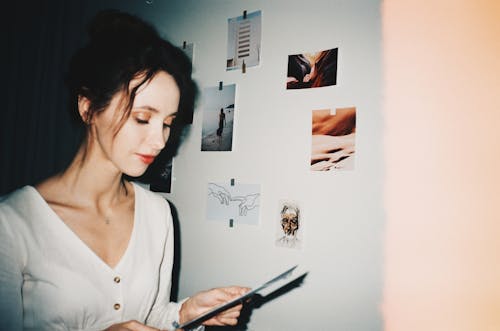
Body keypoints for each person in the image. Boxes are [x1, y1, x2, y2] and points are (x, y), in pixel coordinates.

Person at [0, 10, 248, 331]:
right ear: (88, 106)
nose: (159, 140)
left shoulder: (158, 213)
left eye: (168, 124)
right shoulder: (12, 223)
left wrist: (184, 314)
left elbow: (151, 316)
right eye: (143, 118)